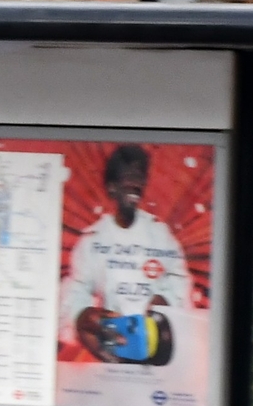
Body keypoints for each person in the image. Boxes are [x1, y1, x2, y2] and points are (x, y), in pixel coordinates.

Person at [61, 143, 191, 362]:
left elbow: (179, 278)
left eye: (140, 178)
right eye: (129, 178)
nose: (136, 185)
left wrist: (166, 300)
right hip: (114, 347)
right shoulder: (94, 239)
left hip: (158, 348)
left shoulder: (159, 234)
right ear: (112, 188)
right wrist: (83, 315)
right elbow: (76, 288)